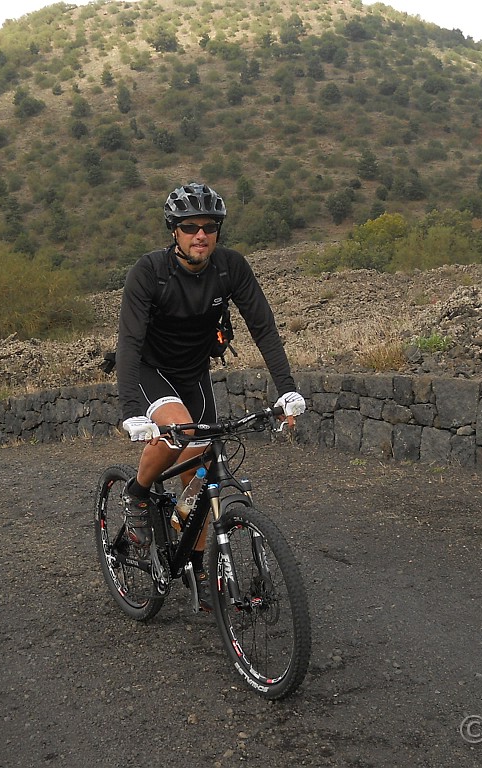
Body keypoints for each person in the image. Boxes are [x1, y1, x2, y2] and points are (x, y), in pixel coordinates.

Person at [114, 182, 306, 606]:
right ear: (174, 232)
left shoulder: (230, 268)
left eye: (209, 226)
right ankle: (137, 494)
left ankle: (195, 564)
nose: (200, 234)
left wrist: (287, 390)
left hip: (194, 372)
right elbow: (128, 342)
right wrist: (132, 410)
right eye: (189, 227)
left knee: (200, 479)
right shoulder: (149, 272)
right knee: (178, 428)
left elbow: (264, 329)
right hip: (152, 370)